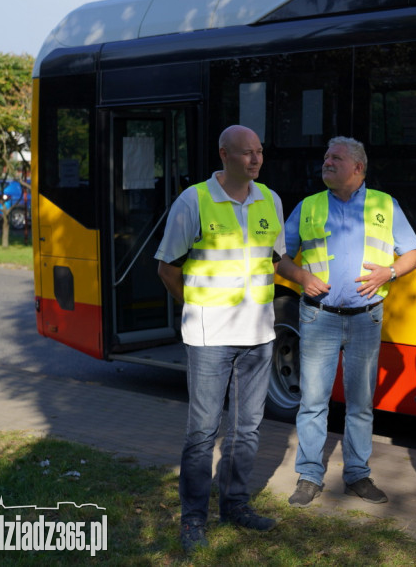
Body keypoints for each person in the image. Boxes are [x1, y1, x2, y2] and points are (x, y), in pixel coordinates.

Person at [155, 125, 285, 552]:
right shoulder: (193, 200)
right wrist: (198, 308)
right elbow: (168, 269)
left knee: (246, 429)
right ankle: (193, 519)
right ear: (223, 154)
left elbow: (275, 260)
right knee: (202, 432)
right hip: (210, 337)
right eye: (246, 152)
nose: (255, 159)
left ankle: (235, 505)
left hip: (260, 334)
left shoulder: (271, 199)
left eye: (259, 152)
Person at [278, 136, 416, 508]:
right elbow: (278, 257)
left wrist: (389, 272)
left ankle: (357, 475)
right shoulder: (309, 206)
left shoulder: (384, 205)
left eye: (336, 157)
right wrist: (301, 277)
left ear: (358, 168)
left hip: (365, 319)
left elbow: (414, 252)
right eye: (326, 156)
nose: (327, 162)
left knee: (360, 403)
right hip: (317, 316)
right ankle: (309, 476)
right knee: (312, 401)